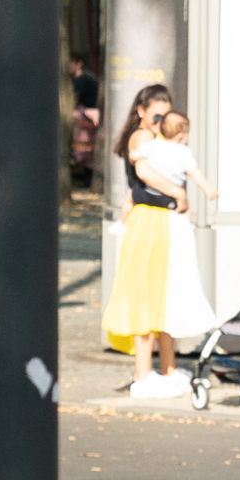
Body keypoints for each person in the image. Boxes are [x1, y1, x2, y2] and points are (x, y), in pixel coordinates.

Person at [101, 84, 192, 395]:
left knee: (161, 295)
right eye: (157, 115)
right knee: (148, 295)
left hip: (157, 220)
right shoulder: (142, 138)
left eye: (166, 116)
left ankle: (167, 370)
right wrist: (178, 191)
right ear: (141, 111)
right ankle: (144, 373)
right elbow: (145, 173)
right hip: (149, 221)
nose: (161, 121)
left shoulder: (153, 138)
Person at [152, 112, 222, 348]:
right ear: (181, 135)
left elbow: (136, 157)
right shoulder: (183, 152)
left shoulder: (155, 147)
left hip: (156, 213)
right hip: (176, 214)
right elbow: (195, 175)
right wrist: (209, 189)